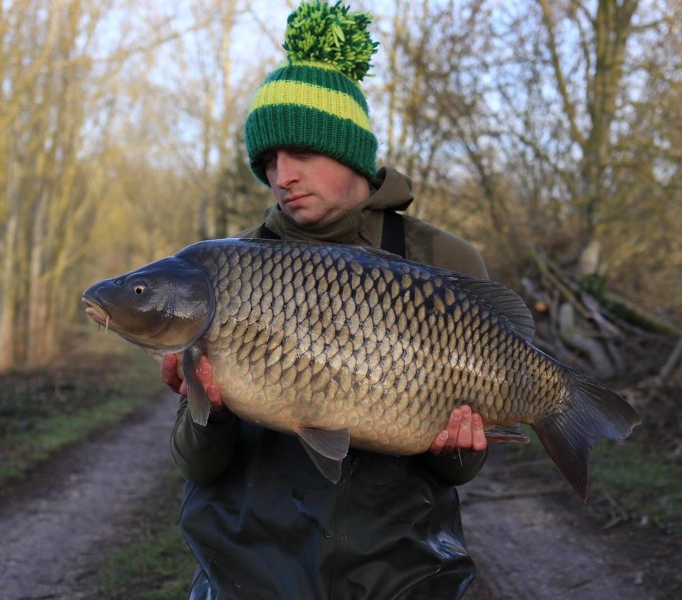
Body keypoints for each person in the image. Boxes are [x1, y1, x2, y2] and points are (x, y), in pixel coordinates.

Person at [163, 2, 491, 598]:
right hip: (248, 571)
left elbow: (458, 470)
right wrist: (211, 410)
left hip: (402, 574)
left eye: (301, 154)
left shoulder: (444, 261)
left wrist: (457, 448)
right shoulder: (229, 270)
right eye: (268, 161)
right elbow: (197, 467)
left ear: (351, 153)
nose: (281, 175)